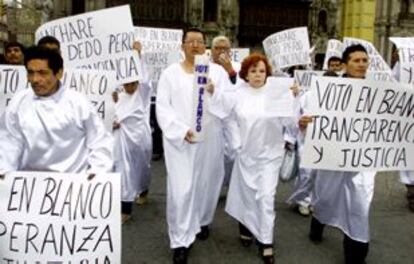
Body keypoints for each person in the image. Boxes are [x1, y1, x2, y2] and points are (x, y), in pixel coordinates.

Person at [209, 53, 297, 263]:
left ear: (267, 74)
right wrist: (237, 144)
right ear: (246, 74)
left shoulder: (276, 93)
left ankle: (266, 242)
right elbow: (227, 115)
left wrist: (291, 99)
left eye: (262, 71)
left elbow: (289, 122)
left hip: (270, 156)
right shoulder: (238, 93)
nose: (258, 75)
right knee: (247, 194)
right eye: (253, 71)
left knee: (266, 197)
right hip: (246, 155)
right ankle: (246, 226)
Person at [156, 28, 228, 264]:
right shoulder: (170, 74)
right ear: (182, 45)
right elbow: (162, 108)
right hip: (181, 142)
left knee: (207, 184)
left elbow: (229, 105)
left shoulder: (216, 72)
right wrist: (179, 130)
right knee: (182, 190)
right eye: (191, 41)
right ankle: (180, 240)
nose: (195, 45)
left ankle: (202, 221)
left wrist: (214, 90)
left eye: (200, 42)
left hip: (210, 138)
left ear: (205, 46)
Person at [299, 44, 374, 264]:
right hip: (332, 156)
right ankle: (318, 221)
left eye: (364, 60)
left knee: (359, 203)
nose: (361, 64)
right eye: (356, 60)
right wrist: (305, 123)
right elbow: (313, 118)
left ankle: (356, 253)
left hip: (362, 159)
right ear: (344, 65)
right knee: (327, 196)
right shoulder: (328, 90)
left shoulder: (377, 91)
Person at [0, 46, 113, 178]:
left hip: (72, 185)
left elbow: (99, 141)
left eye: (43, 73)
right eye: (31, 72)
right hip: (29, 187)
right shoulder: (18, 102)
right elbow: (9, 141)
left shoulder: (78, 103)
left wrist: (97, 173)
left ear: (59, 73)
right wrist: (4, 172)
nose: (35, 79)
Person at [113, 80, 152, 224]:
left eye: (133, 84)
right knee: (124, 173)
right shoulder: (117, 95)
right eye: (127, 85)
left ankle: (143, 191)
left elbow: (144, 77)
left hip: (139, 140)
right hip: (120, 141)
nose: (130, 88)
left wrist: (137, 58)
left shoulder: (143, 93)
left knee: (141, 169)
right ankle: (126, 210)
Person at [210, 35, 241, 186]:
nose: (221, 51)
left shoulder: (238, 66)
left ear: (230, 50)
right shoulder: (204, 66)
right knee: (213, 155)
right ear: (211, 50)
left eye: (225, 48)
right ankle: (212, 185)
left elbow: (241, 88)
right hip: (210, 116)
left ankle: (227, 182)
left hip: (230, 116)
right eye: (218, 48)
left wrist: (230, 71)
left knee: (235, 151)